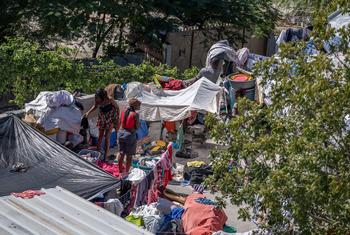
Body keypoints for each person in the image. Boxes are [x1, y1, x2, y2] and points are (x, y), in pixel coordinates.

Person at [84, 88, 119, 159]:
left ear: (103, 96)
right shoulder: (97, 100)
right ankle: (98, 152)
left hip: (110, 119)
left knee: (107, 137)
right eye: (96, 97)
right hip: (102, 118)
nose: (96, 99)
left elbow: (117, 108)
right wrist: (88, 112)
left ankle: (105, 156)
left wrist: (116, 120)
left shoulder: (110, 99)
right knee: (100, 137)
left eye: (98, 97)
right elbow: (95, 106)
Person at [118, 98, 141, 173]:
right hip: (130, 135)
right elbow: (137, 127)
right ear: (135, 105)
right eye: (138, 105)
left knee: (121, 153)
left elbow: (121, 123)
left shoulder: (123, 112)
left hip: (121, 133)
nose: (139, 106)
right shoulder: (135, 114)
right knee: (129, 155)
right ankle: (127, 172)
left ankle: (120, 171)